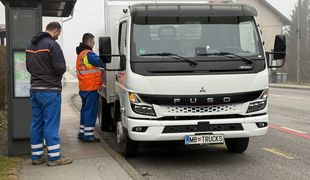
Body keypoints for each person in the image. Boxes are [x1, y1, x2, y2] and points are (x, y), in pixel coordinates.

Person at [26, 22, 73, 166]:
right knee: (51, 124)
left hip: (35, 90)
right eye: (59, 33)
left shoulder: (30, 46)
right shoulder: (52, 45)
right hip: (50, 91)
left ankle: (37, 156)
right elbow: (60, 67)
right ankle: (54, 157)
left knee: (36, 123)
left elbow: (28, 67)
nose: (58, 35)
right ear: (55, 30)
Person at [76, 33, 103, 143]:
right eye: (93, 42)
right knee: (90, 111)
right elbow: (102, 62)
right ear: (88, 42)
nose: (93, 44)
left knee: (84, 111)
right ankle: (88, 135)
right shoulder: (89, 54)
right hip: (90, 87)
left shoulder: (80, 54)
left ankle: (82, 132)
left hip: (84, 87)